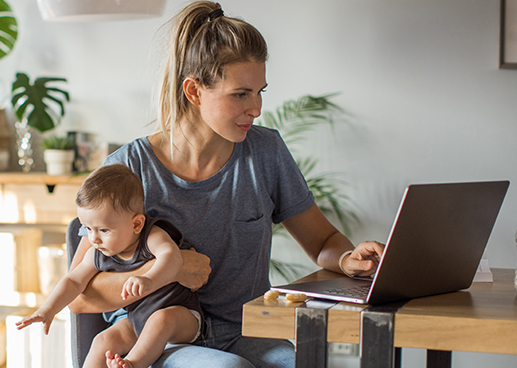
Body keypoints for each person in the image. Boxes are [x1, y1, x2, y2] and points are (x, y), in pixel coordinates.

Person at [68, 2, 384, 367]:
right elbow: (81, 297)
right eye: (240, 94)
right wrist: (168, 269)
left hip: (245, 332)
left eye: (259, 91)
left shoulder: (266, 152)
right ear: (193, 91)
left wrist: (347, 260)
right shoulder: (129, 169)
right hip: (152, 335)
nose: (257, 108)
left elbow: (323, 242)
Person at [17, 164, 203, 368]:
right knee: (102, 341)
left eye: (103, 230)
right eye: (88, 228)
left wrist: (149, 278)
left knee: (161, 320)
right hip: (137, 320)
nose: (94, 239)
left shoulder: (152, 235)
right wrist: (47, 309)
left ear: (136, 224)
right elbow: (73, 280)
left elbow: (173, 257)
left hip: (182, 316)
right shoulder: (98, 252)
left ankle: (132, 364)